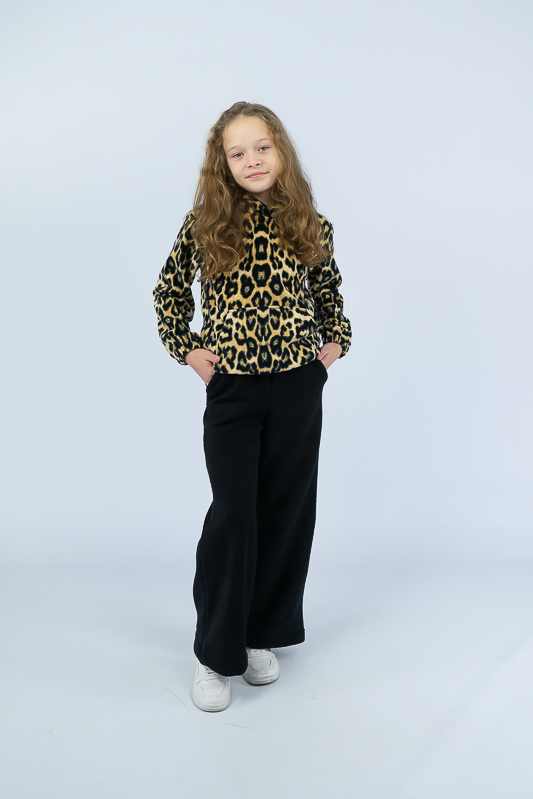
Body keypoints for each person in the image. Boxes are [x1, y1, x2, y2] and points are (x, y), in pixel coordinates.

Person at [152, 101, 352, 712]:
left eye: (262, 147)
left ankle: (260, 633)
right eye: (238, 152)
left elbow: (328, 288)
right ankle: (216, 652)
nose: (253, 160)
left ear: (280, 150)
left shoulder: (310, 222)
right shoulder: (205, 223)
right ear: (223, 164)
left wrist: (335, 339)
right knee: (234, 513)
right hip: (234, 387)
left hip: (297, 385)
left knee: (286, 509)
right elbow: (168, 291)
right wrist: (188, 349)